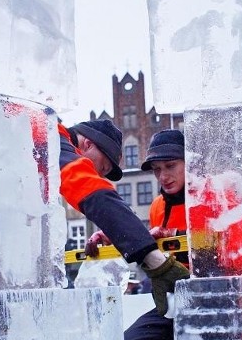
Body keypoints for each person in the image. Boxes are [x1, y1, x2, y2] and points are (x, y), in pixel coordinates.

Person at [58, 119, 188, 315]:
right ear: (88, 145)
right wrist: (156, 261)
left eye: (170, 166)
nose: (97, 177)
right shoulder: (49, 140)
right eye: (101, 169)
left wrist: (117, 234)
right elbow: (93, 191)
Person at [121, 129, 187, 340]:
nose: (163, 176)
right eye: (157, 170)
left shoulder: (212, 197)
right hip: (173, 302)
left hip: (216, 302)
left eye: (170, 166)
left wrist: (178, 236)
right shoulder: (158, 206)